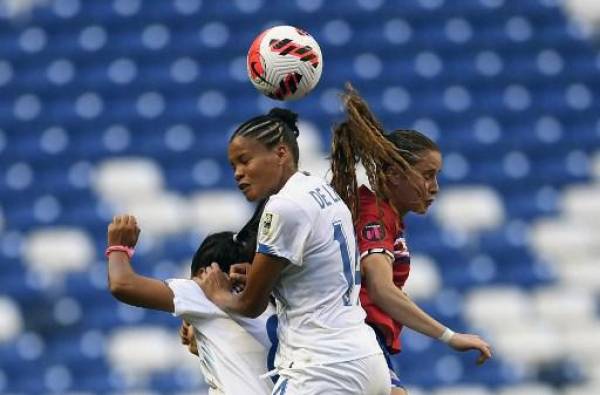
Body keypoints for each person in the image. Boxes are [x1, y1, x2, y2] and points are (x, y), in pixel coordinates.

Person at [198, 108, 390, 394]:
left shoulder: (283, 206)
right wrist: (261, 275)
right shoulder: (321, 190)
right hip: (366, 360)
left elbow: (250, 305)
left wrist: (218, 293)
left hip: (321, 369)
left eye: (245, 160)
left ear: (280, 153)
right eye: (233, 166)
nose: (238, 173)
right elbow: (316, 270)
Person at [330, 85, 493, 394]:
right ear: (393, 174)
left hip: (361, 344)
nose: (435, 187)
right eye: (427, 175)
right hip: (354, 343)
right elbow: (380, 288)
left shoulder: (385, 215)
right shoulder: (373, 215)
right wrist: (449, 336)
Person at [105, 207, 275, 395]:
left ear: (204, 273)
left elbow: (122, 285)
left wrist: (119, 247)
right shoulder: (275, 304)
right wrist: (205, 343)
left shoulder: (206, 291)